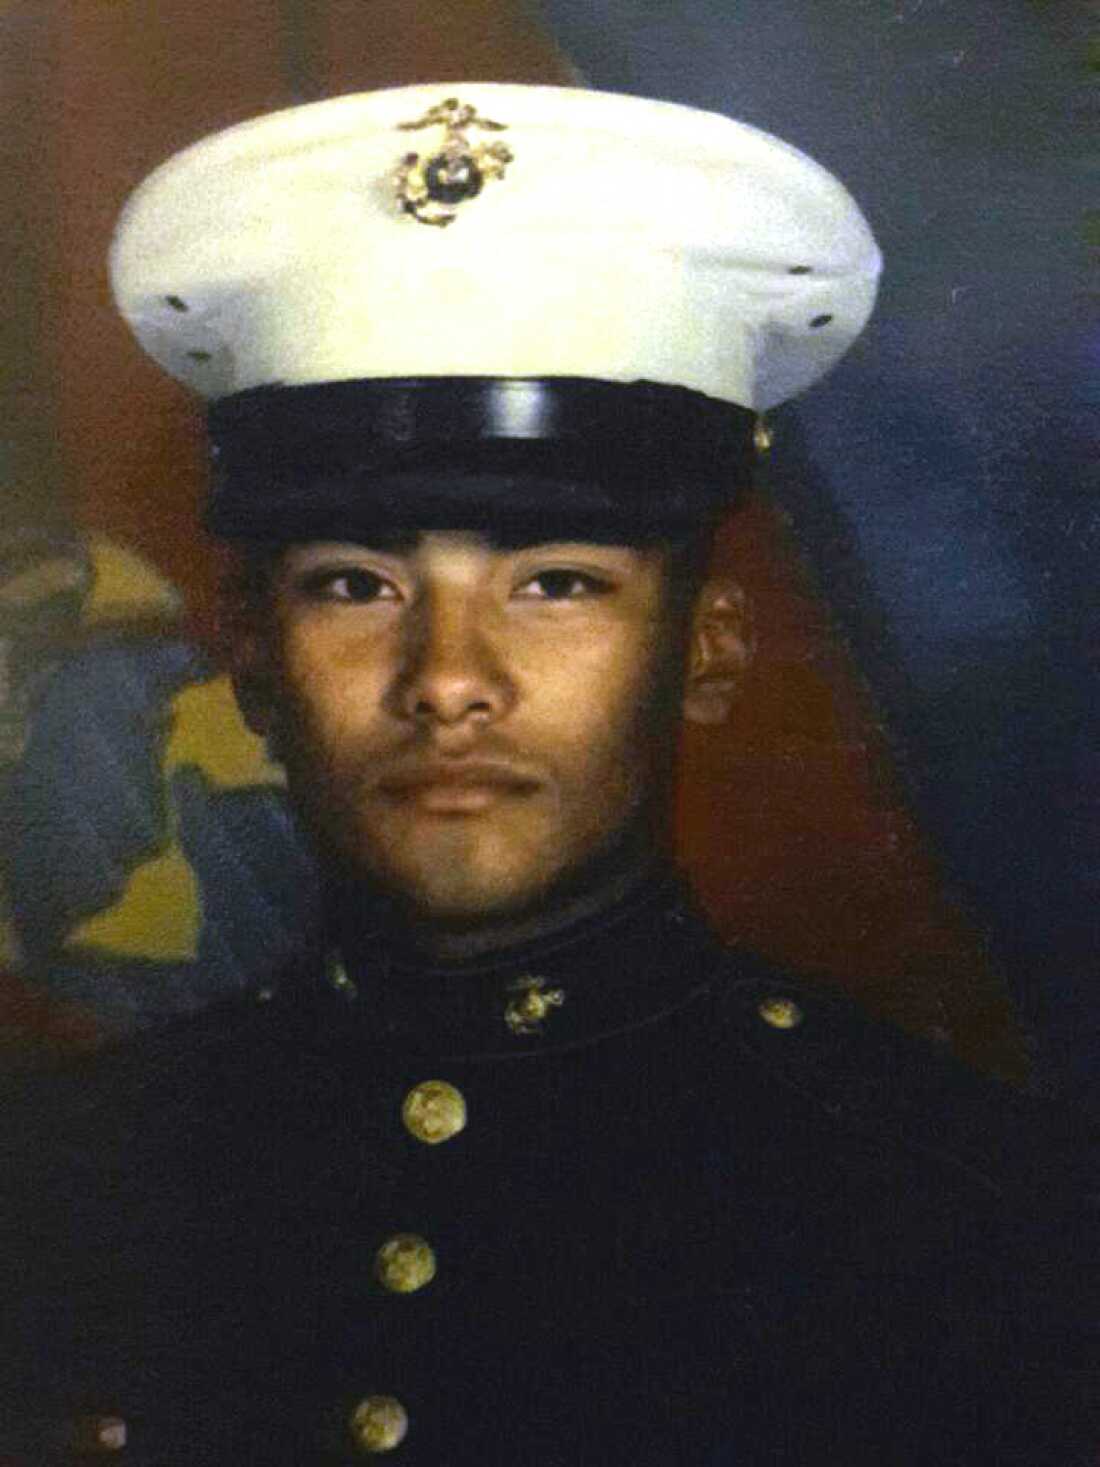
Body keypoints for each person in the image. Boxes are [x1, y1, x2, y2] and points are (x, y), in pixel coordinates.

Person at [0, 83, 1094, 1465]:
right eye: (357, 585)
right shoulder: (46, 1188)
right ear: (256, 667)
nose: (449, 677)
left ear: (705, 647)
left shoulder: (985, 1220)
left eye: (555, 585)